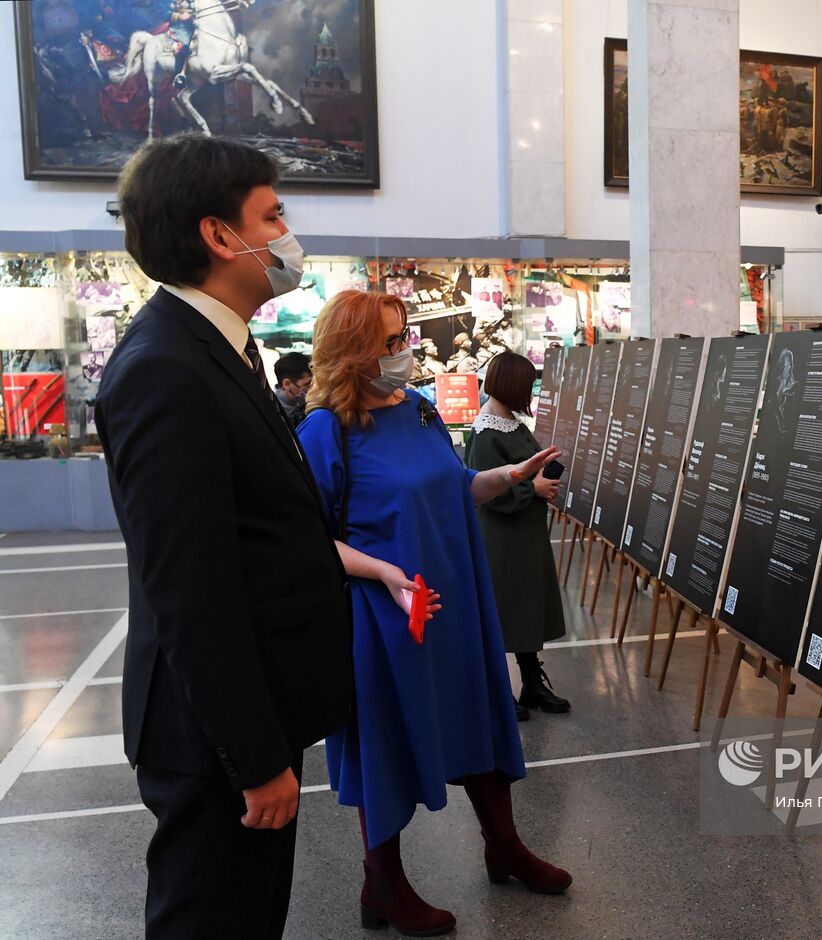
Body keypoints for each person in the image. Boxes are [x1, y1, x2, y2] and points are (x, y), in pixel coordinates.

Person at [95, 135, 351, 938]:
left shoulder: (219, 348)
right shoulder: (164, 368)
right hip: (213, 741)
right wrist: (255, 756)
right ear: (218, 235)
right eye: (272, 215)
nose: (286, 233)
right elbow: (189, 588)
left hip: (252, 720)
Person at [298, 291, 572, 937]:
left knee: (479, 713)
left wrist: (508, 476)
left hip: (457, 594)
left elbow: (455, 488)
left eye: (403, 338)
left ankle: (504, 846)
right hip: (388, 609)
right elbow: (306, 538)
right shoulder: (325, 430)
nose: (404, 353)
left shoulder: (418, 410)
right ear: (353, 350)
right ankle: (383, 881)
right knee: (386, 739)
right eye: (389, 343)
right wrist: (384, 573)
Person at [467, 352, 571, 721]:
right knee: (501, 612)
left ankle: (531, 681)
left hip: (524, 534)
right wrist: (534, 490)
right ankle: (498, 692)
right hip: (502, 539)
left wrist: (539, 483)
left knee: (524, 609)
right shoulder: (486, 430)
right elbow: (486, 490)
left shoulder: (510, 422)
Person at [272, 351, 312, 427]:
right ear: (286, 384)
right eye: (307, 384)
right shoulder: (274, 415)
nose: (312, 389)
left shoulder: (304, 404)